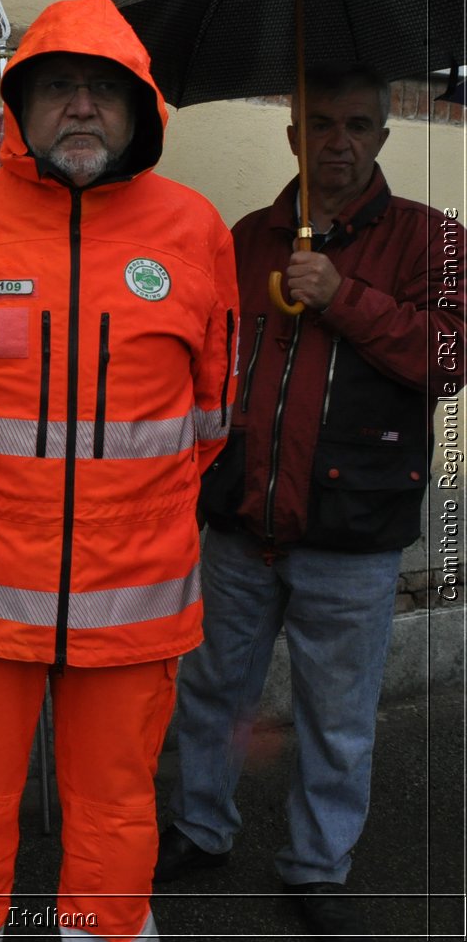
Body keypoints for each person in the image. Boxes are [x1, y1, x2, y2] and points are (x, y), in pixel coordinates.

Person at [0, 0, 238, 941]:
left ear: (141, 110)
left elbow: (208, 423)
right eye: (61, 87)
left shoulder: (197, 235)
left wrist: (121, 515)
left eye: (105, 91)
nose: (83, 107)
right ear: (22, 106)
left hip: (134, 596)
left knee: (119, 810)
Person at [159, 65, 462, 937]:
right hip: (239, 517)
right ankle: (201, 826)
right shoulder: (248, 237)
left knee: (339, 715)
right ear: (293, 136)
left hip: (352, 529)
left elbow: (450, 356)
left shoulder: (431, 240)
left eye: (358, 124)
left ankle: (318, 862)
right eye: (320, 123)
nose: (339, 141)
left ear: (383, 136)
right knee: (213, 691)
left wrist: (346, 297)